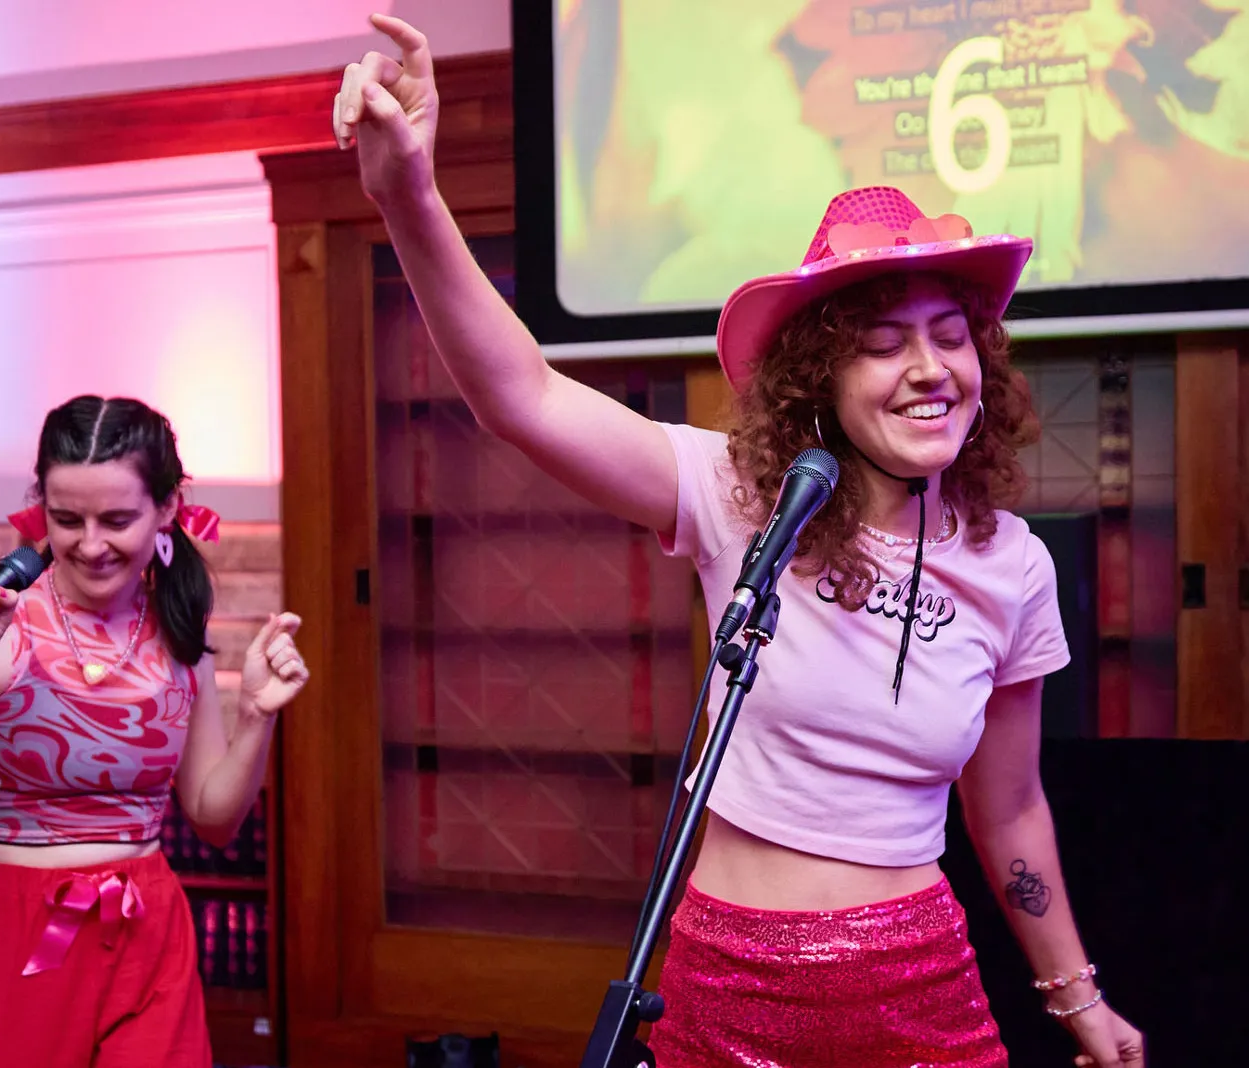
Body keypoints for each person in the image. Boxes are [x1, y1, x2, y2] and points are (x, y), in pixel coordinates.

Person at [333, 15, 1145, 1068]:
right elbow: (519, 396)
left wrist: (1074, 996)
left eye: (950, 336)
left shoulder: (1011, 564)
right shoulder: (740, 497)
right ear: (820, 377)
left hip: (912, 977)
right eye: (883, 342)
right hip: (728, 974)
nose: (929, 366)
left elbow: (1012, 807)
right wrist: (409, 194)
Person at [0, 395, 308, 1068]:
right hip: (11, 937)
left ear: (167, 509)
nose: (90, 544)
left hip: (145, 931)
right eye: (67, 519)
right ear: (39, 504)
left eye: (118, 519)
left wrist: (256, 719)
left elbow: (215, 819)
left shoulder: (180, 629)